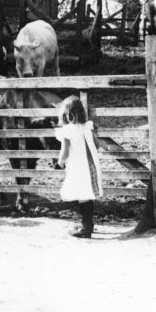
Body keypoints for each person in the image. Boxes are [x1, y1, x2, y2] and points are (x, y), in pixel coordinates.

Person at [55, 95, 103, 238]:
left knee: (81, 196)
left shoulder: (67, 130)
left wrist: (60, 162)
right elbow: (97, 145)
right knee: (87, 196)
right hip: (89, 166)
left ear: (67, 114)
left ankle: (86, 227)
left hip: (77, 167)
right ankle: (88, 224)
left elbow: (64, 152)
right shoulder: (87, 127)